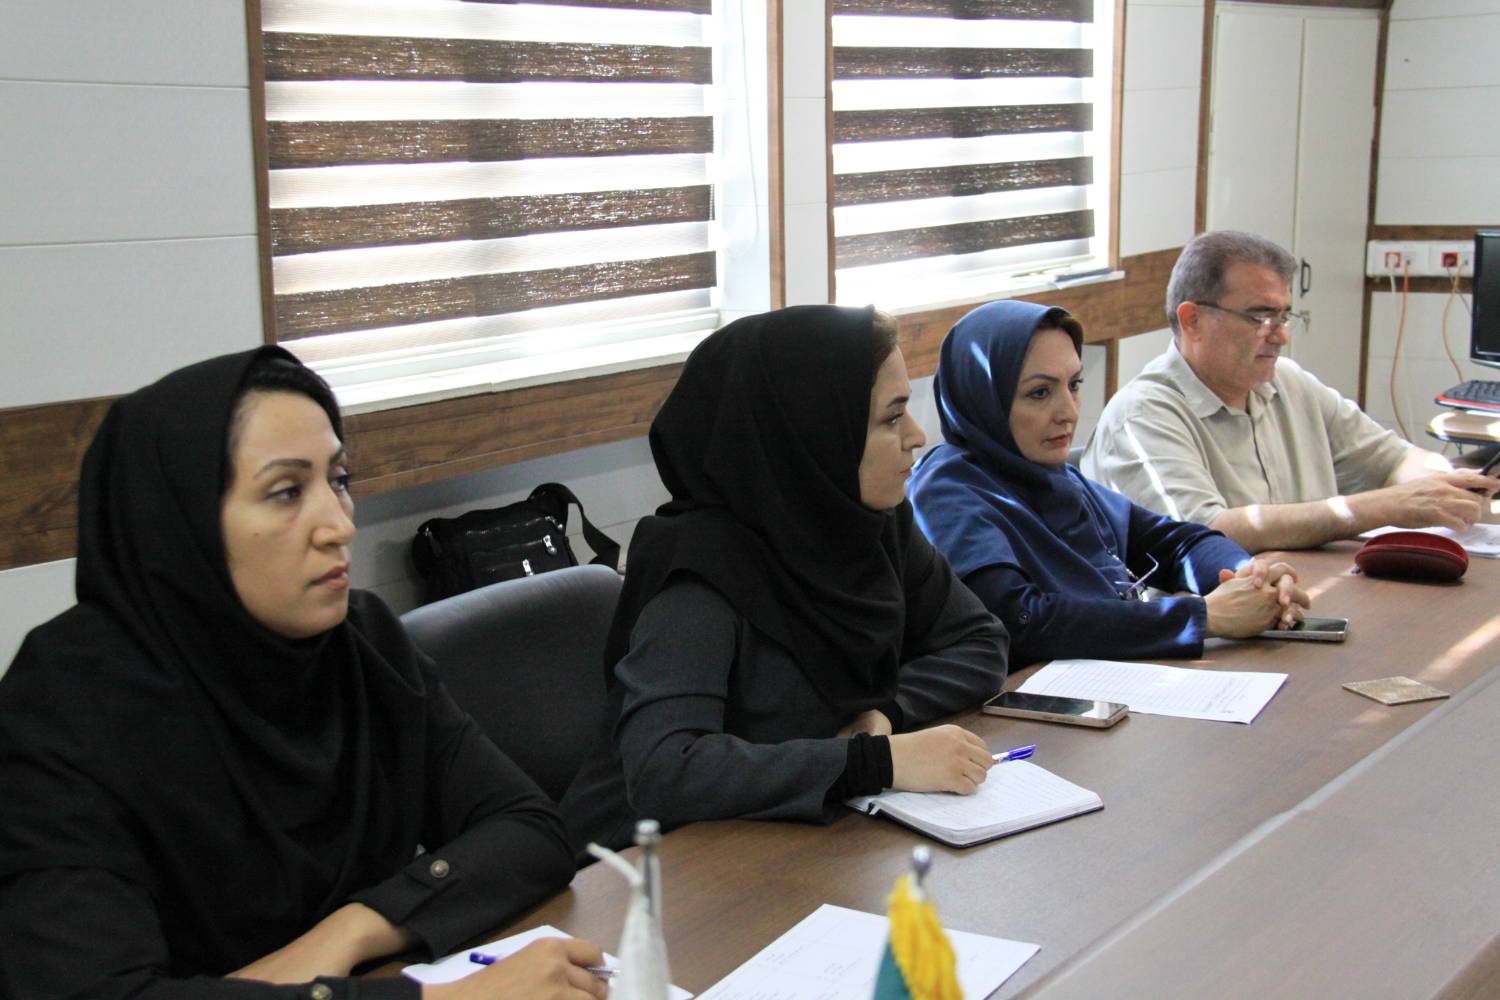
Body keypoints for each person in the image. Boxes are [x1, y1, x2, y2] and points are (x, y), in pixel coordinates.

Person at [0, 348, 607, 1000]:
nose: (339, 525)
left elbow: (530, 830)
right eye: (287, 492)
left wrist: (345, 935)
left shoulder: (360, 644)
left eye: (338, 480)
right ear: (180, 523)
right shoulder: (61, 711)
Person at [559, 305, 1010, 853]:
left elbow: (980, 641)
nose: (916, 436)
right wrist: (873, 762)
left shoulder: (868, 526)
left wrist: (885, 715)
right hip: (646, 863)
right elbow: (665, 769)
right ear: (814, 434)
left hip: (789, 838)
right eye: (891, 419)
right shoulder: (701, 571)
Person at [908, 301, 1308, 667]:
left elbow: (1177, 544)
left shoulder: (1053, 477)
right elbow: (1020, 619)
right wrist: (1205, 617)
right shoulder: (946, 492)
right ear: (982, 398)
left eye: (1074, 385)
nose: (1068, 411)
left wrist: (1249, 577)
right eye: (1039, 393)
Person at [1082, 230, 1500, 551]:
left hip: (1305, 599)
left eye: (1284, 317)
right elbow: (1204, 533)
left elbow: (1393, 459)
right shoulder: (1142, 415)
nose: (1280, 336)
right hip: (1208, 622)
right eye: (1260, 317)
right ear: (1192, 320)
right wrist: (1381, 507)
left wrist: (1441, 484)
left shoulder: (1288, 382)